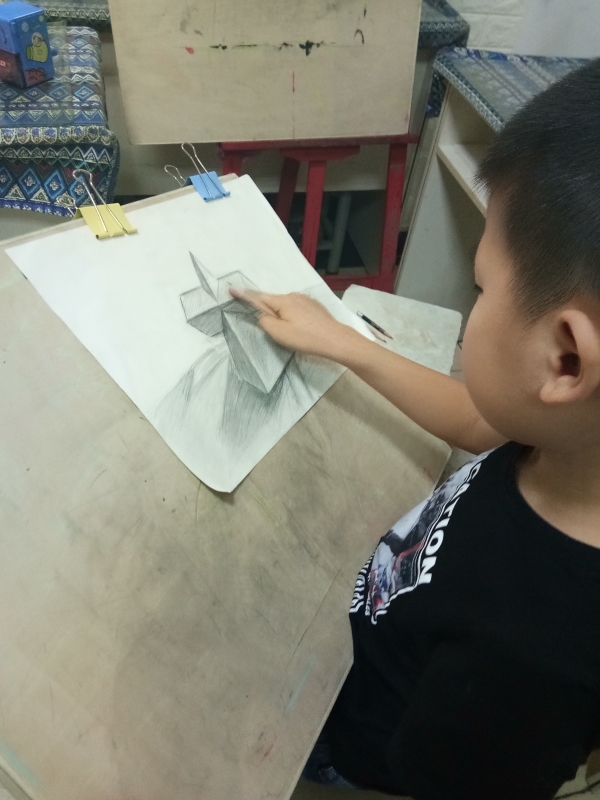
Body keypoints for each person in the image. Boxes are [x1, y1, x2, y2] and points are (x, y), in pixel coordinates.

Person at [233, 58, 600, 800]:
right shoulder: (568, 441)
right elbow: (476, 417)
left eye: (481, 287)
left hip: (356, 737)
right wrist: (344, 342)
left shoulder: (524, 658)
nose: (473, 303)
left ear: (565, 359)